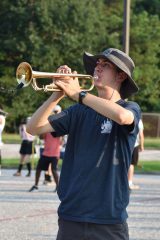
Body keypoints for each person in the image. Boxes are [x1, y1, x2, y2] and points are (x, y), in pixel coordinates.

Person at [26, 48, 141, 240]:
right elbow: (33, 128)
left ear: (121, 75)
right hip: (71, 215)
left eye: (105, 65)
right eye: (97, 64)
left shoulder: (129, 107)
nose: (98, 67)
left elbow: (122, 117)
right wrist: (58, 95)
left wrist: (78, 93)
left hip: (109, 220)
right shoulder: (77, 111)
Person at [29, 105, 62, 192]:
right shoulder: (48, 125)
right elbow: (41, 137)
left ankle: (58, 187)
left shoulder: (60, 125)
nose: (54, 113)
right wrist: (44, 126)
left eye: (56, 112)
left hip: (55, 153)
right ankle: (36, 185)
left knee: (54, 170)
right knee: (39, 169)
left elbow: (61, 137)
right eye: (54, 111)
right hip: (46, 153)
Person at [128, 119, 144, 190]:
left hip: (123, 144)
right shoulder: (138, 120)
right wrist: (142, 145)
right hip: (134, 144)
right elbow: (141, 134)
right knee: (131, 164)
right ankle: (129, 183)